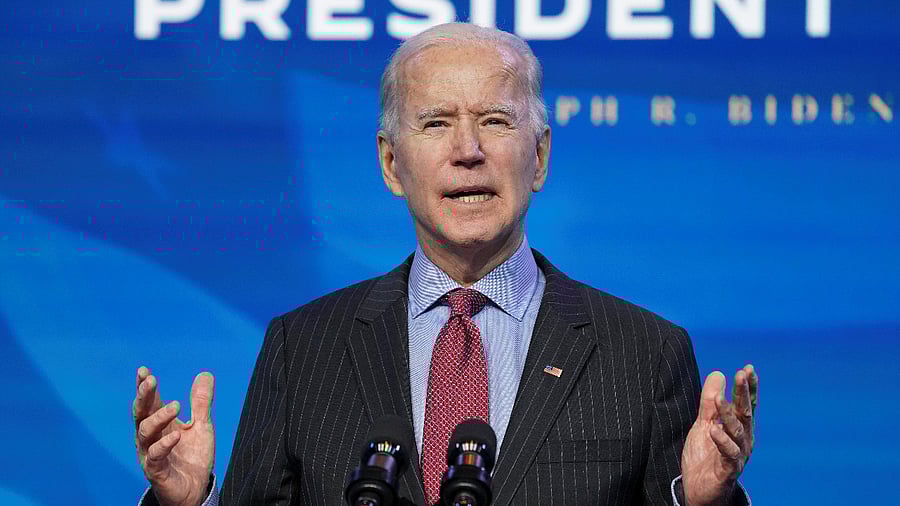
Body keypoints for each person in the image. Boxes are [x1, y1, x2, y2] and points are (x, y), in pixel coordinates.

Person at [133, 22, 758, 506]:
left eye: (494, 120)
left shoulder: (644, 355)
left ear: (539, 158)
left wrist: (703, 502)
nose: (468, 151)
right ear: (390, 165)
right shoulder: (303, 348)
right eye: (436, 123)